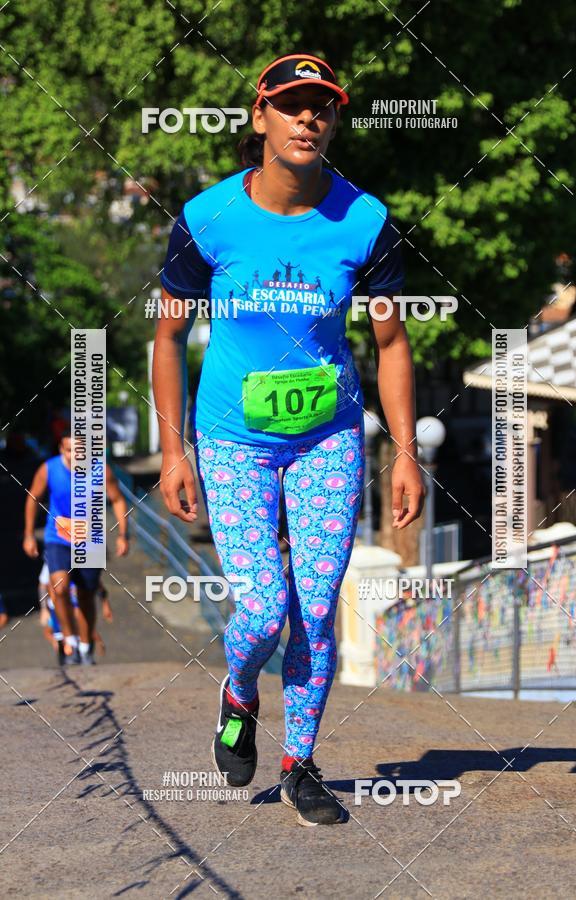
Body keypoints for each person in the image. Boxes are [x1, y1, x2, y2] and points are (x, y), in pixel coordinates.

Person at [154, 52, 424, 826]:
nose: (310, 119)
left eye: (325, 108)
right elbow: (167, 340)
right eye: (294, 105)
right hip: (233, 441)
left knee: (313, 604)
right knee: (265, 608)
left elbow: (392, 344)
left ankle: (301, 762)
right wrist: (175, 452)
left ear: (335, 121)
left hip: (327, 441)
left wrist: (405, 451)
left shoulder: (364, 220)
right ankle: (238, 692)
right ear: (259, 117)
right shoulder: (207, 219)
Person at [23, 431, 129, 665]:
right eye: (70, 450)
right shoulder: (49, 469)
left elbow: (118, 499)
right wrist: (29, 534)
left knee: (85, 595)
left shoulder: (100, 471)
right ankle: (69, 641)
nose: (75, 455)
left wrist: (123, 535)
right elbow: (33, 497)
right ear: (62, 450)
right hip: (58, 537)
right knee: (59, 587)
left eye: (80, 450)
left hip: (91, 539)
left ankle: (85, 645)